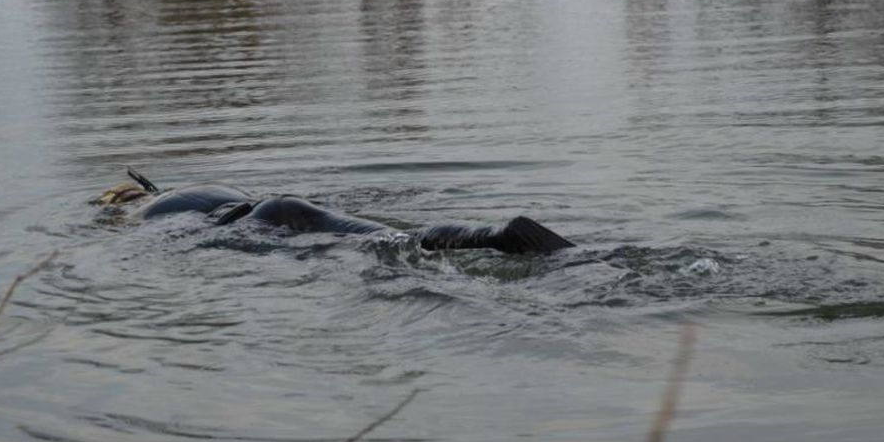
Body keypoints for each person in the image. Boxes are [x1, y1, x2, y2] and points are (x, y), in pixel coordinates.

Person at [94, 168, 574, 255]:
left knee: (387, 247)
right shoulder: (188, 190)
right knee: (390, 239)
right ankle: (494, 238)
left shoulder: (147, 213)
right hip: (280, 207)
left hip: (264, 219)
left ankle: (496, 240)